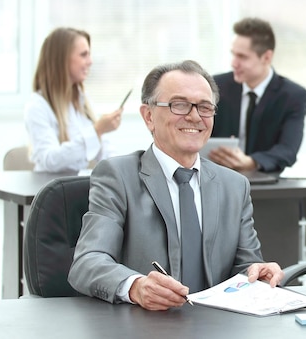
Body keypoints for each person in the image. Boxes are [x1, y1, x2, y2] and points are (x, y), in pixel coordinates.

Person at [68, 60, 284, 311]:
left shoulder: (234, 186)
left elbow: (245, 267)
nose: (194, 116)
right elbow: (87, 262)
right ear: (149, 116)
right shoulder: (117, 176)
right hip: (146, 327)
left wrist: (258, 272)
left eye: (205, 107)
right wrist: (135, 286)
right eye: (179, 105)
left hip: (217, 327)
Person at [209, 17, 306, 172]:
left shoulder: (293, 96)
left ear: (267, 57)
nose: (233, 63)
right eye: (233, 54)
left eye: (242, 57)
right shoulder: (215, 86)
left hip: (265, 182)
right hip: (218, 177)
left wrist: (251, 162)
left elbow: (288, 150)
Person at [24, 27, 122, 172]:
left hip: (74, 188)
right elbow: (50, 160)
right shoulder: (37, 106)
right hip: (51, 191)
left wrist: (123, 170)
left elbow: (104, 151)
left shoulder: (81, 100)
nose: (90, 62)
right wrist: (96, 131)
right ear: (61, 60)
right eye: (83, 55)